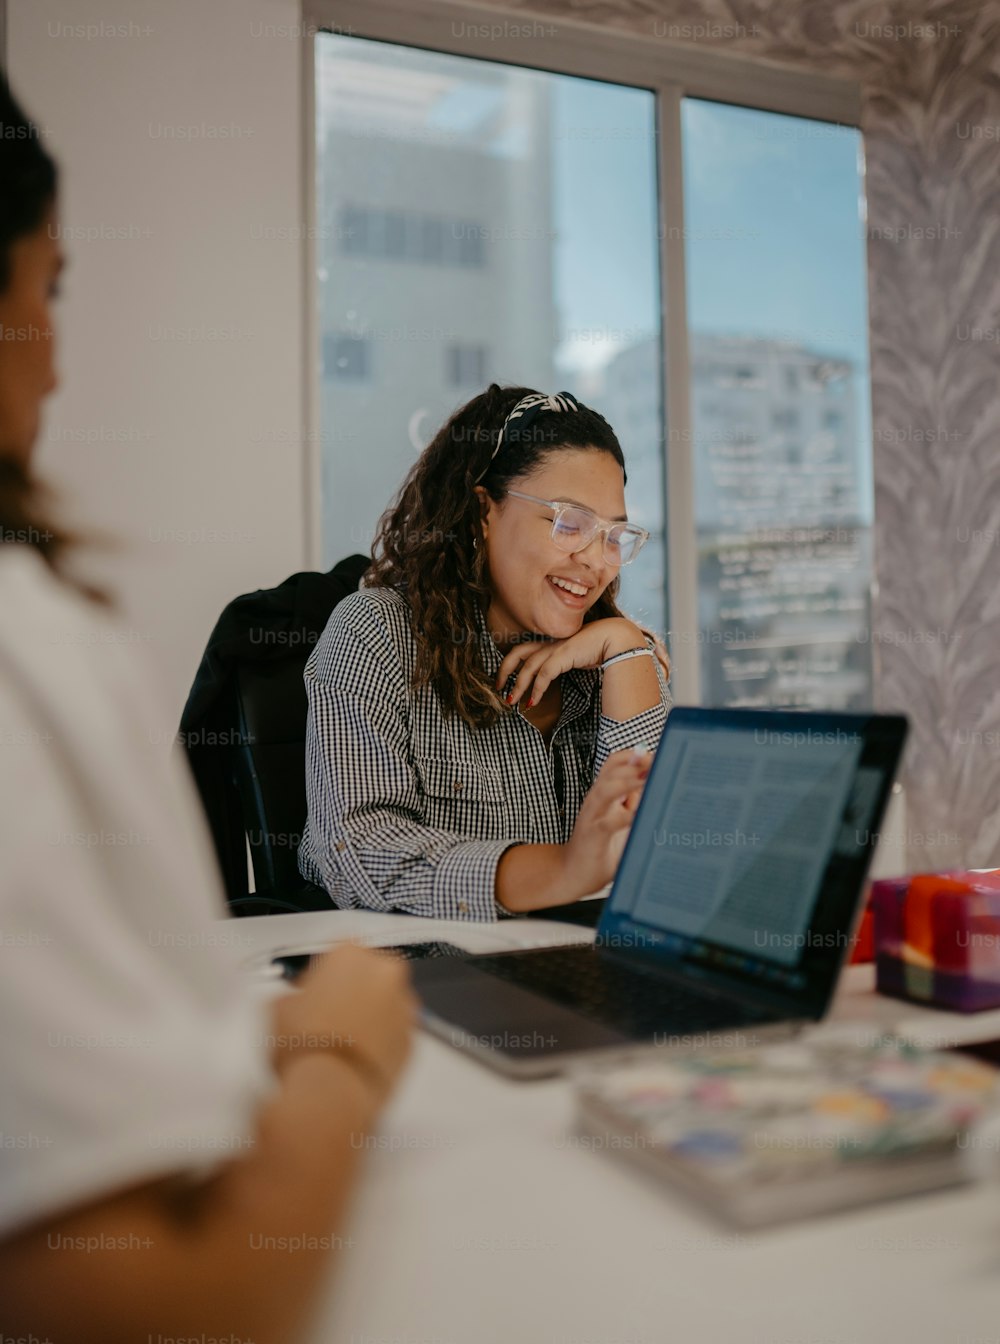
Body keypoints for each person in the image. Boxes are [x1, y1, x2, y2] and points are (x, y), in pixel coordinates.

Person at [0, 76, 415, 1344]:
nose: (58, 355)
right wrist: (335, 1053)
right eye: (47, 288)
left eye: (609, 530)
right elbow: (133, 1302)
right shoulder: (355, 636)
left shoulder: (595, 663)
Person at [299, 385, 672, 919]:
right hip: (436, 979)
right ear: (483, 513)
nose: (597, 561)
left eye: (613, 535)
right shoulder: (376, 632)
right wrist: (564, 870)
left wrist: (626, 648)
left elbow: (665, 860)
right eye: (570, 523)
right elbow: (355, 848)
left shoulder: (616, 656)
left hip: (587, 969)